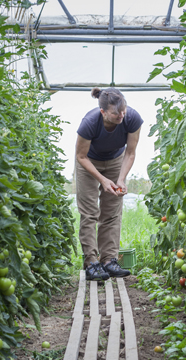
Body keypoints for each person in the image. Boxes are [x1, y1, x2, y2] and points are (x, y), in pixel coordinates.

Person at [75, 87, 142, 281]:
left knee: (112, 211)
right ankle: (91, 263)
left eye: (123, 111)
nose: (121, 116)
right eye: (115, 113)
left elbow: (130, 152)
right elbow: (81, 156)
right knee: (89, 212)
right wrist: (102, 179)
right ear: (103, 112)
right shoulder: (89, 123)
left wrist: (120, 179)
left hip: (115, 160)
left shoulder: (132, 118)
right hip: (88, 161)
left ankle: (109, 260)